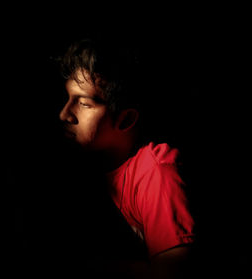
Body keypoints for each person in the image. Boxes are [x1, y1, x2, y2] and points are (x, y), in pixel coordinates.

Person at [57, 34, 196, 278]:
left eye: (84, 103)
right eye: (68, 98)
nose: (64, 114)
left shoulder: (157, 172)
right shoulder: (83, 161)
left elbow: (172, 274)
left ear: (126, 119)